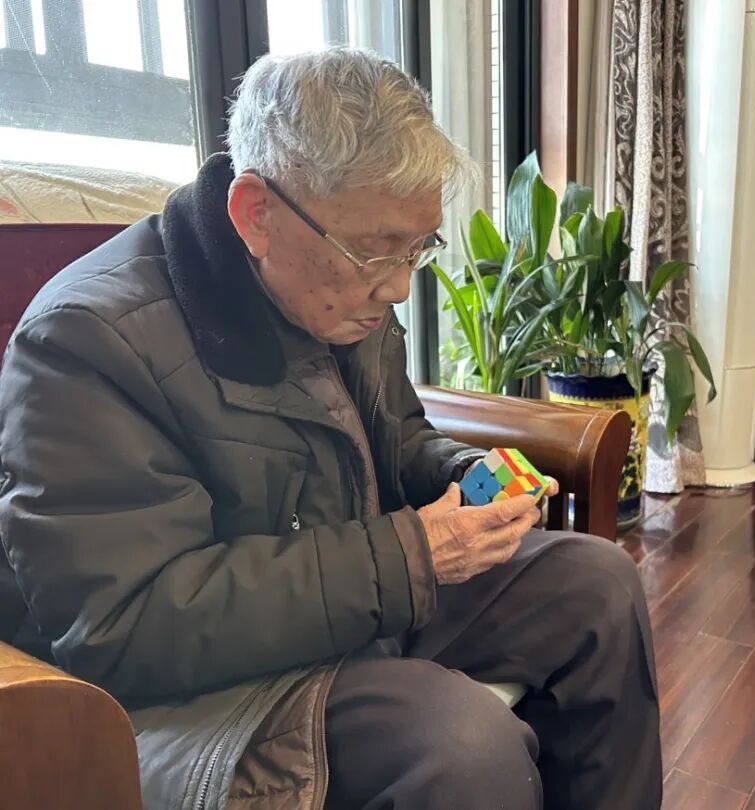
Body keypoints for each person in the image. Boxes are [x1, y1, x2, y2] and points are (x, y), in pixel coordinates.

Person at [0, 48, 661, 809]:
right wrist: (411, 555)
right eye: (376, 251)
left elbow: (399, 439)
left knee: (598, 585)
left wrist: (460, 475)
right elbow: (123, 628)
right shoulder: (87, 341)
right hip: (202, 691)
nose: (399, 286)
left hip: (354, 606)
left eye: (418, 248)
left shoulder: (339, 298)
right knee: (460, 742)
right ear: (256, 214)